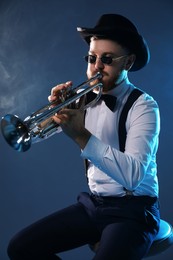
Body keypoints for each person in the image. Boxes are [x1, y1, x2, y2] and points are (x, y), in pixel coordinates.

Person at [7, 14, 160, 260]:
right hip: (94, 205)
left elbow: (133, 177)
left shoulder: (144, 106)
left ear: (128, 62)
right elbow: (33, 136)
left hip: (134, 211)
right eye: (92, 58)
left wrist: (81, 135)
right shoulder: (83, 98)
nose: (96, 67)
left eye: (107, 59)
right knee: (19, 248)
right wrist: (55, 112)